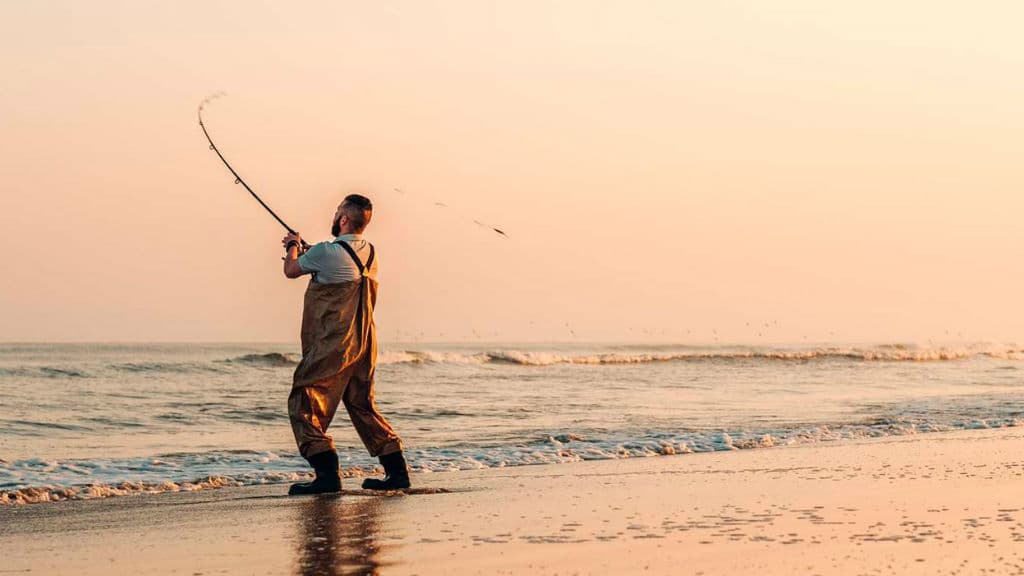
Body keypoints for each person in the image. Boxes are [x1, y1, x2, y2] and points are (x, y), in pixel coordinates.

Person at [281, 194, 411, 494]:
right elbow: (338, 265)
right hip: (365, 341)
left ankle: (327, 474)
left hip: (335, 342)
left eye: (337, 209)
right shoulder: (371, 253)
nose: (335, 212)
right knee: (361, 403)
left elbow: (291, 270)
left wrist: (292, 246)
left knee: (303, 399)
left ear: (342, 219)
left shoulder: (327, 252)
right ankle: (398, 472)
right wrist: (309, 252)